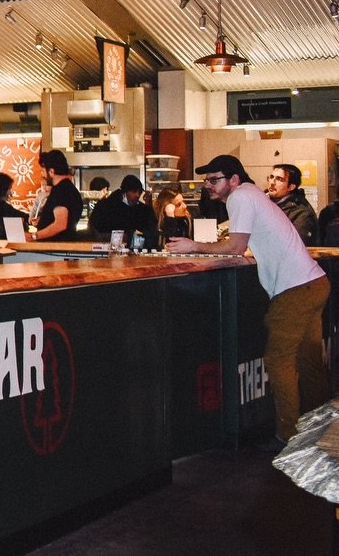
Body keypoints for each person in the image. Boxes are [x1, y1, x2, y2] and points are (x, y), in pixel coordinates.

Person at [168, 155, 330, 442]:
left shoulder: (240, 196)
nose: (208, 185)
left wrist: (194, 246)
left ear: (234, 179)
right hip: (314, 282)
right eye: (207, 180)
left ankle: (289, 436)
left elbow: (235, 246)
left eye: (214, 179)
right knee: (309, 362)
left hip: (294, 288)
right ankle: (318, 431)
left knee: (278, 361)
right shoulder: (253, 195)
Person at [85, 174, 157, 245]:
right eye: (134, 191)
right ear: (125, 191)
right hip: (105, 247)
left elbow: (151, 228)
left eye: (140, 192)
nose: (137, 195)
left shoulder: (141, 209)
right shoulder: (106, 206)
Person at [31, 150, 82, 241]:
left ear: (51, 171)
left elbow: (60, 225)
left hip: (55, 247)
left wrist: (34, 236)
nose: (42, 175)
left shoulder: (62, 190)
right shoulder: (66, 188)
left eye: (43, 171)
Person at [267, 163, 317, 245]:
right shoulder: (259, 202)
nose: (272, 182)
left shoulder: (302, 213)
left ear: (291, 187)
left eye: (279, 179)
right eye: (271, 177)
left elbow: (294, 244)